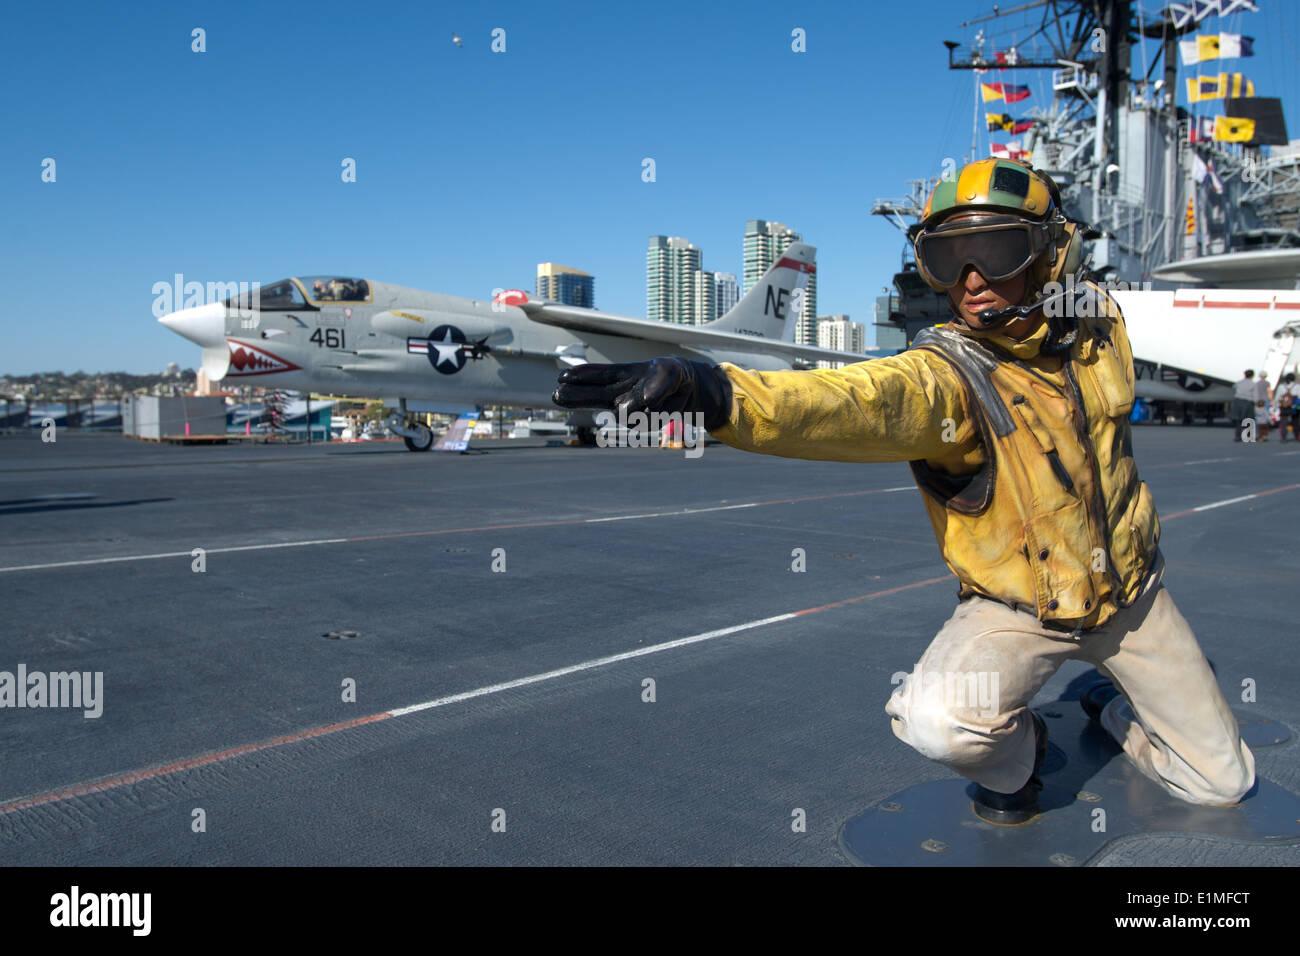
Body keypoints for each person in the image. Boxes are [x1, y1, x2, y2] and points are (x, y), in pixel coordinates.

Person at [554, 158, 1256, 825]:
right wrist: (718, 393)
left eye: (998, 251)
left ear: (1053, 256)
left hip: (1133, 597)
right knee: (941, 724)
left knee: (1222, 783)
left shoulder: (1100, 326)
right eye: (949, 258)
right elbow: (858, 401)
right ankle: (1022, 755)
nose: (972, 279)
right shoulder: (949, 377)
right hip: (1020, 607)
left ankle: (1110, 708)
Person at [1232, 371, 1256, 441]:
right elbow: (1255, 394)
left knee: (1239, 420)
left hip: (1238, 401)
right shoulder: (1253, 384)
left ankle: (1237, 436)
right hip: (1248, 401)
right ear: (1252, 376)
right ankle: (1248, 437)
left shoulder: (1239, 382)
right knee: (1249, 419)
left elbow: (1234, 387)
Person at [1276, 373, 1299, 442]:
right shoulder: (1297, 386)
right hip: (1294, 405)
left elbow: (1277, 397)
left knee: (1283, 421)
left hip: (1284, 406)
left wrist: (1276, 406)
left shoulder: (1281, 386)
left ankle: (1283, 437)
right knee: (1296, 421)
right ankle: (1297, 436)